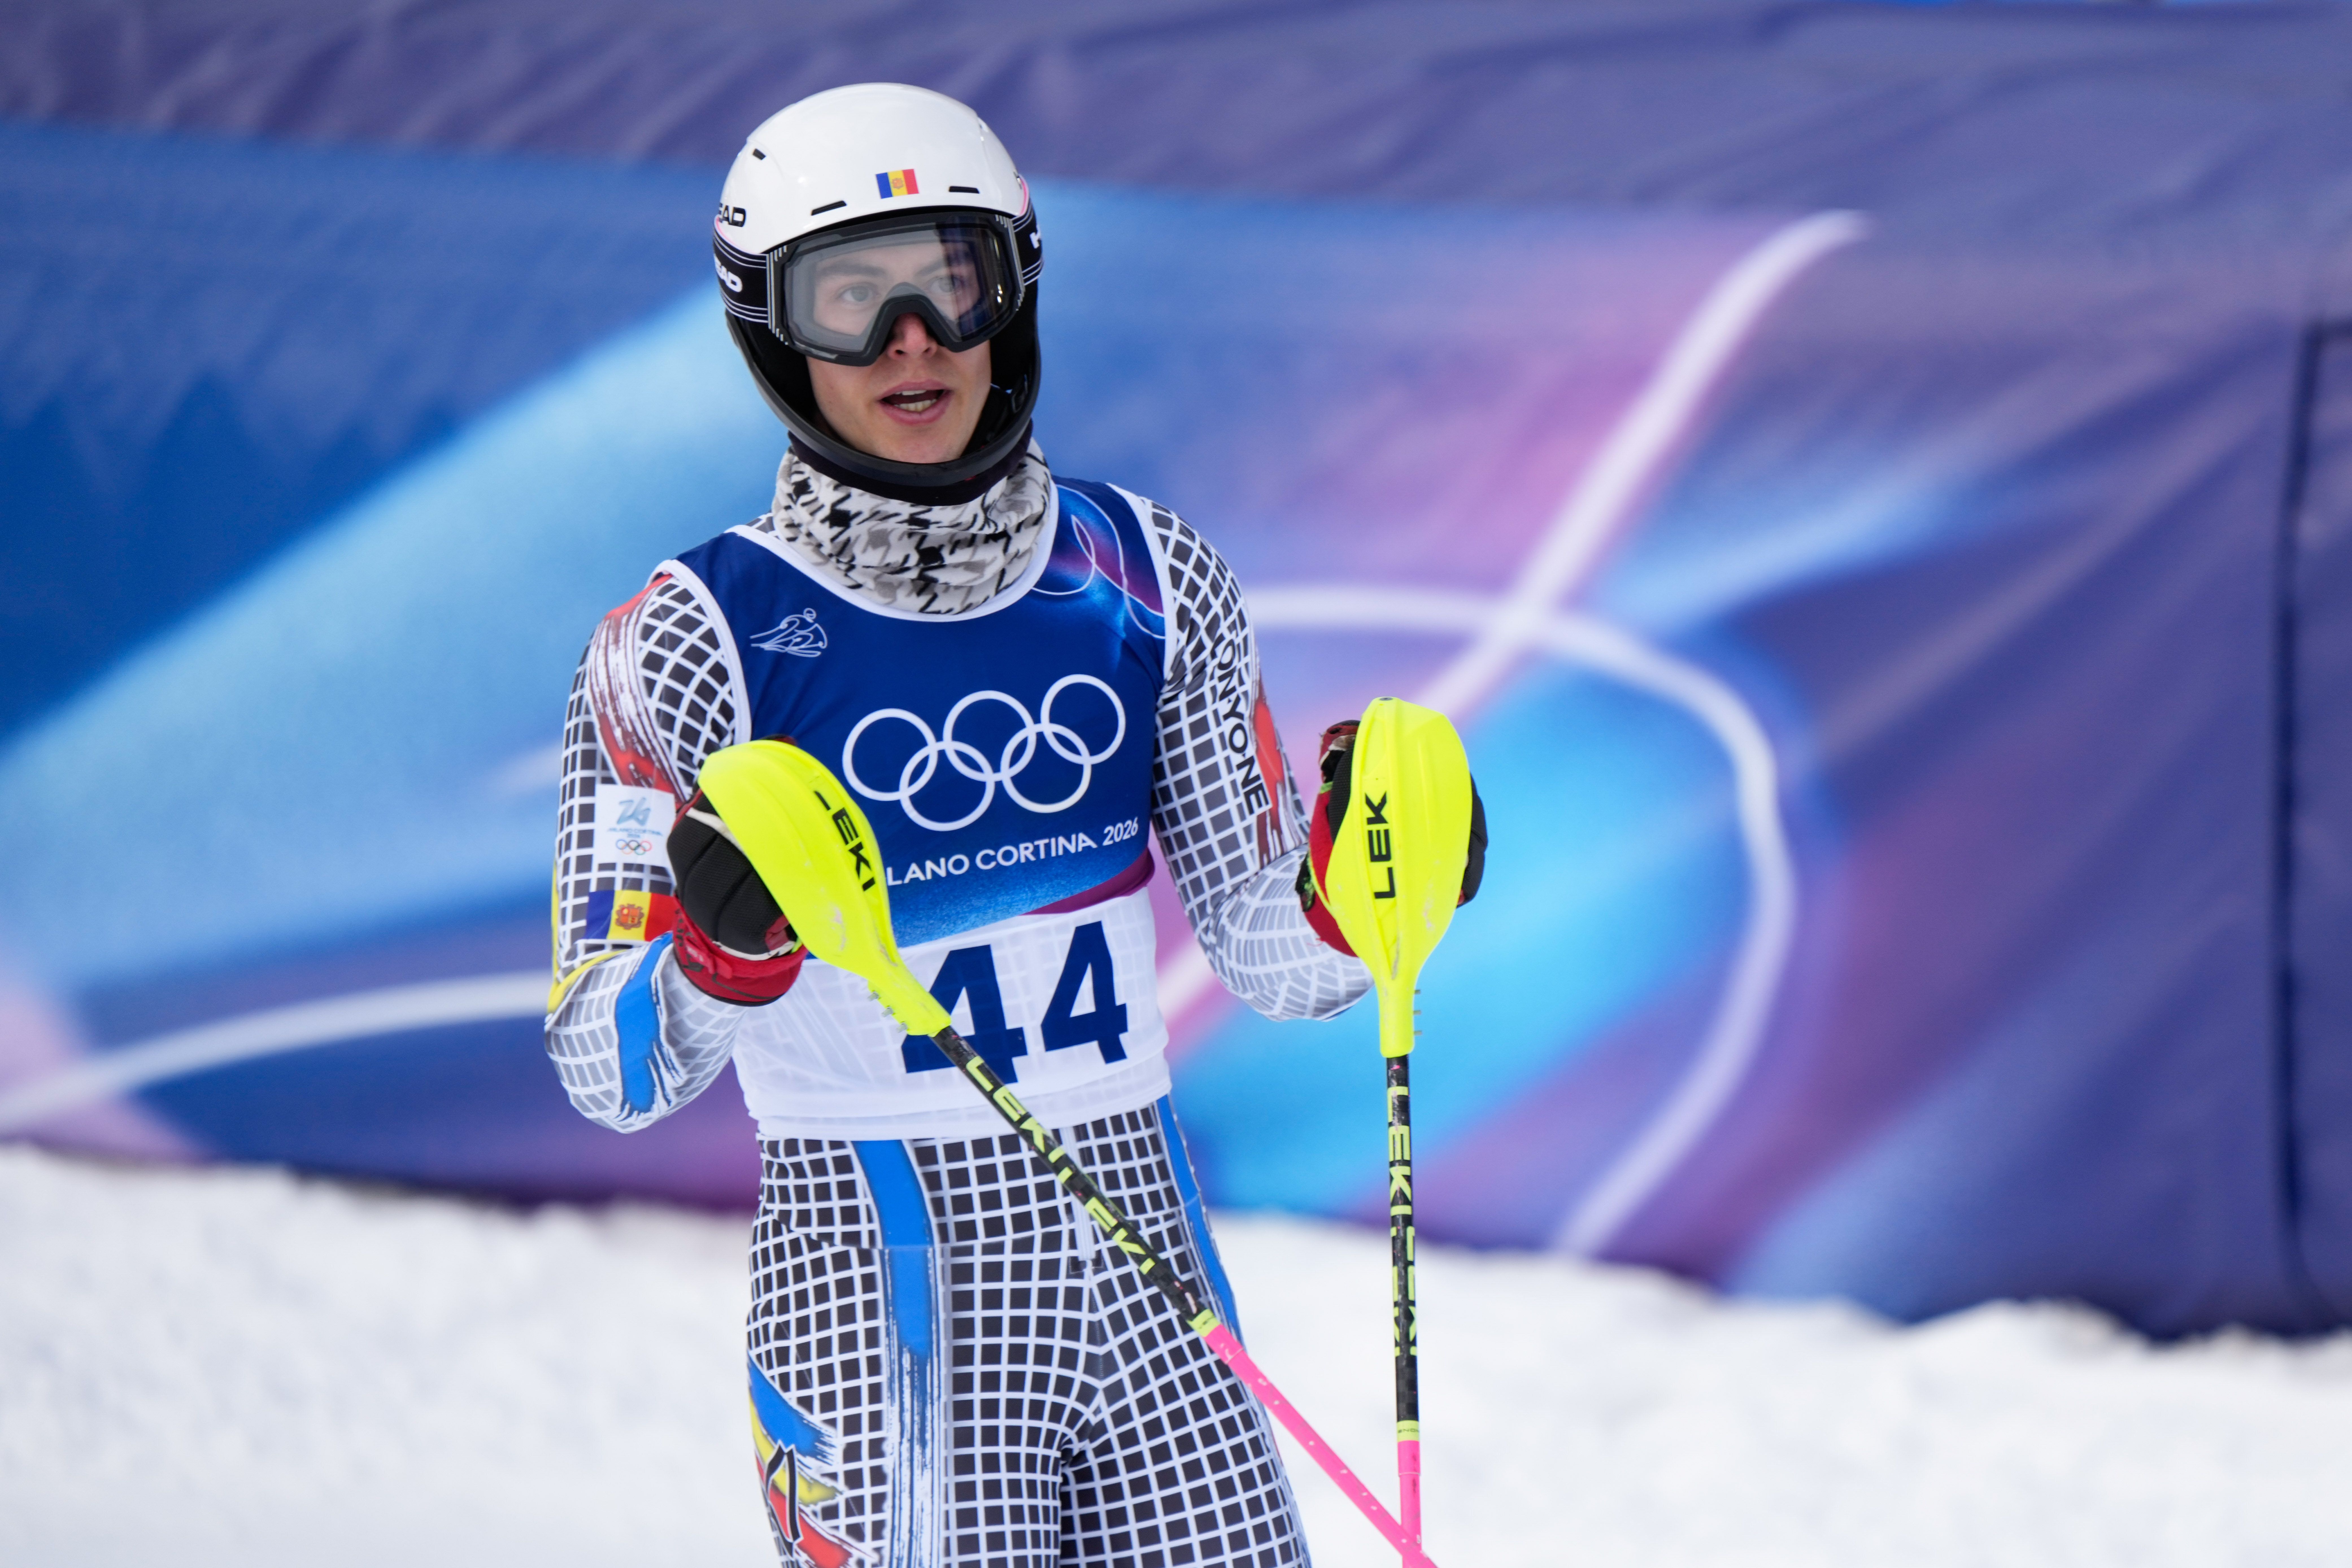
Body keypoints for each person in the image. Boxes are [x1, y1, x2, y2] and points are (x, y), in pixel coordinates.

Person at [543, 82, 1478, 1568]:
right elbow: (605, 1064)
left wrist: (1366, 895)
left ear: (1012, 294)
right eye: (847, 298)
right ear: (773, 334)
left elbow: (1269, 960)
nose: (908, 340)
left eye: (947, 281)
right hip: (881, 1282)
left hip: (1148, 1260)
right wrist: (717, 962)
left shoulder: (1145, 574)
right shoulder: (687, 643)